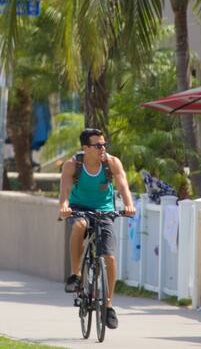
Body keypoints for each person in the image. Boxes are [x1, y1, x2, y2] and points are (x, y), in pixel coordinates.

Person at [58, 128, 136, 330]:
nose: (103, 148)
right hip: (79, 208)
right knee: (80, 225)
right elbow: (65, 190)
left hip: (105, 211)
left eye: (104, 144)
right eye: (97, 145)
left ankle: (108, 305)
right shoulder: (73, 165)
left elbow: (122, 185)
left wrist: (129, 204)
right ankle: (75, 275)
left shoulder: (111, 163)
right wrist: (64, 207)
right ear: (85, 148)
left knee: (109, 257)